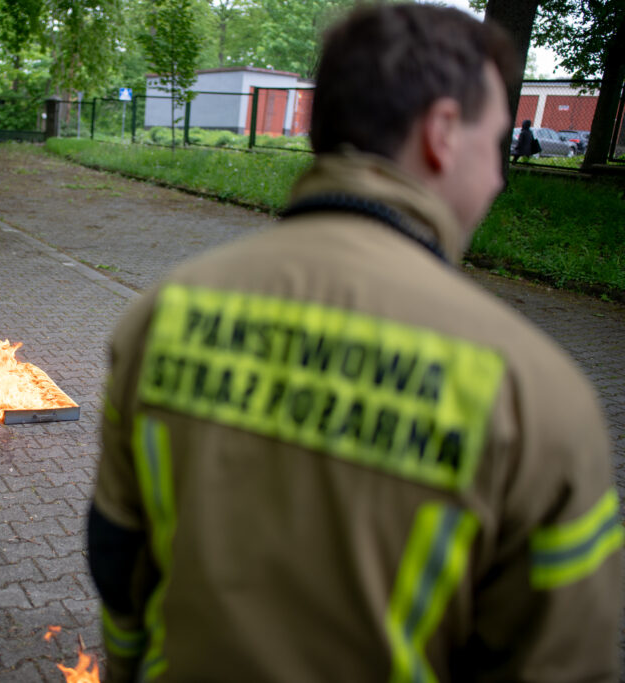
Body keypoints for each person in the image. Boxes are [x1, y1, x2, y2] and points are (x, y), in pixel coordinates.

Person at [87, 4, 623, 682]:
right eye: (496, 144)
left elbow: (117, 553)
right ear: (444, 133)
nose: (498, 176)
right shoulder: (538, 395)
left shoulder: (160, 314)